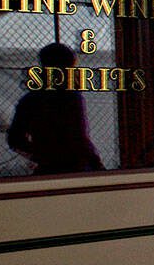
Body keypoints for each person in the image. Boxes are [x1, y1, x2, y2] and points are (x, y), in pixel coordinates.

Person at [8, 43, 104, 175]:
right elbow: (79, 138)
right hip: (75, 167)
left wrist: (43, 155)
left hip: (48, 168)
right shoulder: (71, 98)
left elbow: (15, 138)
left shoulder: (31, 99)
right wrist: (97, 166)